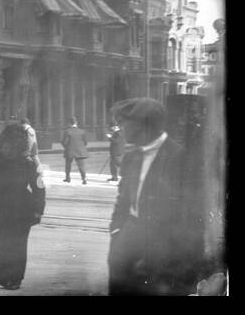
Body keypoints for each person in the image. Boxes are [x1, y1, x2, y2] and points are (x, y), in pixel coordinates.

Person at [108, 97, 205, 296]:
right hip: (127, 241)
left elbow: (191, 216)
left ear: (143, 125)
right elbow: (123, 199)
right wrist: (116, 231)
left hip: (163, 250)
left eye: (124, 123)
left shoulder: (182, 159)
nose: (120, 129)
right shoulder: (131, 157)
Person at [0, 122, 46, 290]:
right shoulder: (30, 161)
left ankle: (5, 275)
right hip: (22, 205)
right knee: (18, 243)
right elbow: (39, 187)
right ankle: (14, 278)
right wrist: (38, 210)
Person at [60, 117, 89, 184]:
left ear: (69, 123)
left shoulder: (67, 131)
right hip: (79, 151)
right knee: (81, 165)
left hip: (70, 151)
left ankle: (68, 178)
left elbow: (64, 143)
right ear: (76, 123)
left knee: (68, 165)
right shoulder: (82, 131)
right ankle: (84, 179)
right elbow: (85, 143)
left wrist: (66, 147)